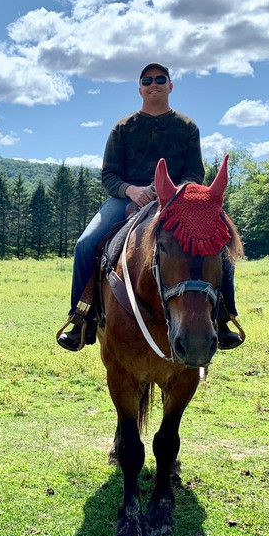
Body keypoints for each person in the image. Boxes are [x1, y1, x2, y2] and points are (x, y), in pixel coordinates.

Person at [57, 62, 243, 351]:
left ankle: (223, 316)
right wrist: (130, 190)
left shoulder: (187, 127)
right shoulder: (122, 128)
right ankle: (81, 317)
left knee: (220, 242)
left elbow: (195, 172)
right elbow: (109, 175)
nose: (153, 84)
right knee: (85, 244)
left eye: (159, 79)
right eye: (147, 81)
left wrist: (172, 193)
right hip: (126, 198)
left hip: (179, 201)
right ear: (140, 89)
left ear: (170, 86)